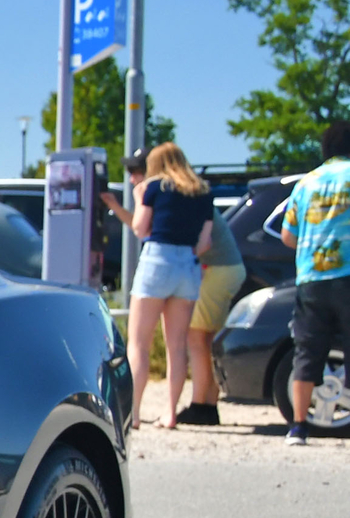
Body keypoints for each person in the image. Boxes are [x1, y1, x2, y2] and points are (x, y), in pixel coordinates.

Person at [103, 142, 218, 429]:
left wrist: (138, 198)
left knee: (139, 342)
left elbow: (141, 229)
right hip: (187, 265)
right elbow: (205, 243)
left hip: (158, 260)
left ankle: (135, 413)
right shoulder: (202, 191)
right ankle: (170, 413)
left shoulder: (154, 187)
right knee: (177, 345)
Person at [276, 120, 350, 445]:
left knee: (306, 350)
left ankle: (298, 426)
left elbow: (287, 236)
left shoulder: (306, 183)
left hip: (311, 279)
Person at [175, 191, 247, 425]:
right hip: (228, 270)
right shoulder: (197, 199)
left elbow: (201, 244)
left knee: (196, 339)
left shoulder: (186, 203)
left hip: (217, 270)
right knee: (208, 341)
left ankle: (200, 406)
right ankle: (208, 404)